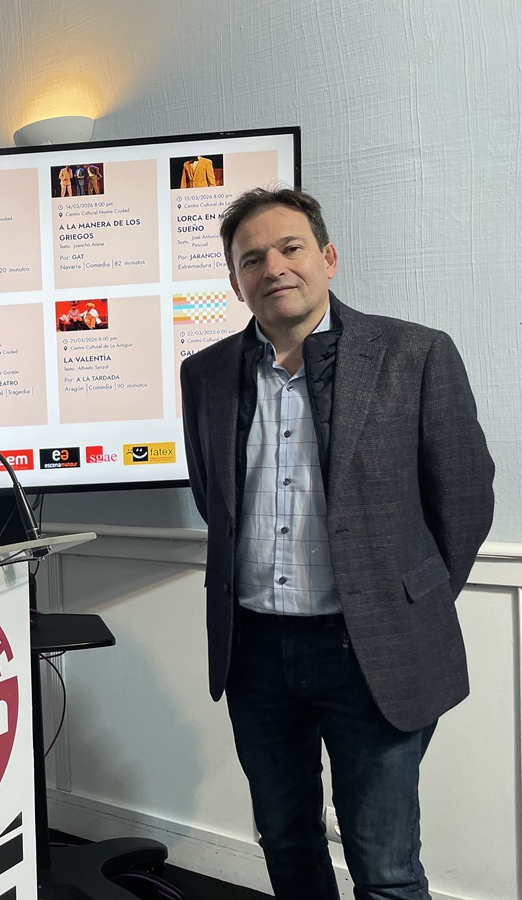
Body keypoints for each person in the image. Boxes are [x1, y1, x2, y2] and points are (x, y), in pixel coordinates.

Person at [180, 186, 493, 899]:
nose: (273, 267)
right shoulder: (205, 375)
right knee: (286, 841)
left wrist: (401, 602)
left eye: (289, 248)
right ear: (235, 281)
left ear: (328, 258)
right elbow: (211, 498)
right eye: (251, 258)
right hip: (255, 653)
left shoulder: (415, 354)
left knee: (385, 868)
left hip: (370, 651)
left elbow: (465, 497)